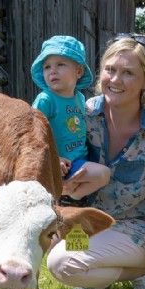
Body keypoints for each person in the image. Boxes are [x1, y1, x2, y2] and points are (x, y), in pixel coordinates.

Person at [46, 33, 145, 289]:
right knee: (48, 240)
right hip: (89, 221)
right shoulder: (81, 114)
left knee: (62, 263)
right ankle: (94, 277)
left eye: (128, 72)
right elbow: (54, 153)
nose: (115, 79)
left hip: (136, 229)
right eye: (110, 69)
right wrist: (59, 171)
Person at [30, 35, 110, 205]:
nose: (52, 71)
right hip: (55, 163)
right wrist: (54, 158)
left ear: (78, 71)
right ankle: (69, 195)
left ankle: (68, 195)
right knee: (103, 174)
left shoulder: (80, 99)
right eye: (46, 67)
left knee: (103, 174)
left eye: (60, 64)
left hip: (78, 160)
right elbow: (32, 133)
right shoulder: (46, 99)